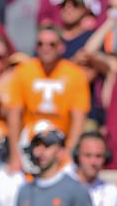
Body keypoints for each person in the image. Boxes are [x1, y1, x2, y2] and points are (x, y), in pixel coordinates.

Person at [5, 25, 90, 171]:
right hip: (29, 143)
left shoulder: (75, 74)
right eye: (41, 44)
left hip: (60, 146)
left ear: (61, 47)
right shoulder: (23, 71)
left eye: (52, 44)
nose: (46, 48)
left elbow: (78, 119)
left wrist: (68, 152)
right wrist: (15, 154)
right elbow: (14, 114)